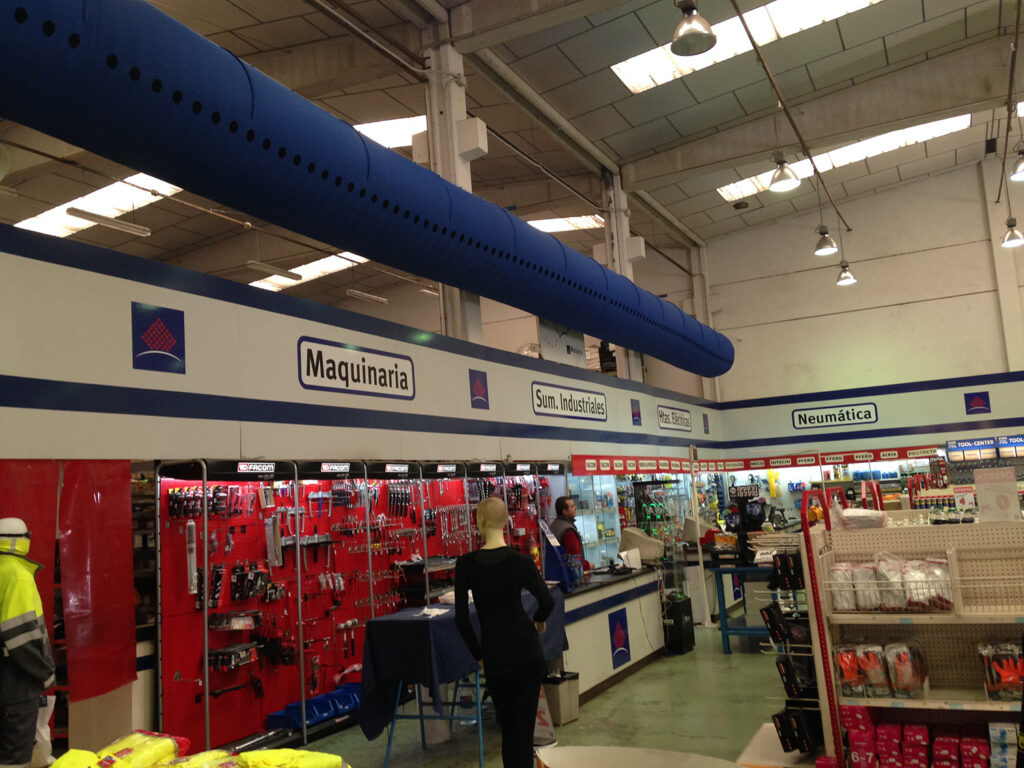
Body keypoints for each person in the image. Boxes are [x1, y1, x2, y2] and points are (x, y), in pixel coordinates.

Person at [454, 498, 554, 768]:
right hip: (526, 652)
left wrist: (479, 655)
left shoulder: (465, 565)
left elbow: (462, 619)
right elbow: (547, 601)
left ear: (479, 522)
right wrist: (537, 622)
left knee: (509, 730)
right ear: (506, 520)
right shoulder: (520, 562)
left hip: (495, 655)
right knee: (523, 732)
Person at [0, 518, 55, 768]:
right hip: (16, 685)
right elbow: (20, 637)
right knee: (14, 759)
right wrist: (44, 674)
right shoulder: (17, 575)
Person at [549, 496, 591, 570]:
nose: (575, 508)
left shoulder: (553, 525)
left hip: (556, 572)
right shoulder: (568, 530)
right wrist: (588, 566)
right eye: (572, 507)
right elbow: (574, 557)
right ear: (565, 511)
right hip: (570, 575)